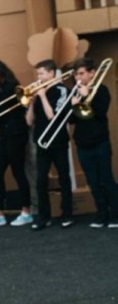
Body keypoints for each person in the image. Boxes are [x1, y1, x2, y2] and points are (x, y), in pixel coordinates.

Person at [0, 60, 33, 228]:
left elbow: (3, 110)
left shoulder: (10, 86)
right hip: (6, 135)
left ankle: (26, 211)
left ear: (0, 72)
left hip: (16, 133)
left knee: (18, 171)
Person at [70, 57, 118, 228]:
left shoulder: (102, 90)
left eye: (82, 73)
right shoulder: (75, 93)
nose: (78, 78)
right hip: (83, 145)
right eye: (76, 74)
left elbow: (99, 112)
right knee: (93, 182)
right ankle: (101, 214)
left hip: (100, 143)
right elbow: (71, 121)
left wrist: (88, 95)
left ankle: (115, 215)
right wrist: (74, 105)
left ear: (92, 73)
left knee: (107, 179)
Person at [26, 59, 74, 230]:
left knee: (63, 178)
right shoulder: (38, 94)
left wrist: (43, 96)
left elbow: (52, 117)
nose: (39, 77)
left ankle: (67, 214)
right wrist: (31, 103)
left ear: (52, 73)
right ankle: (43, 216)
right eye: (38, 74)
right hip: (41, 142)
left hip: (58, 140)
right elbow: (29, 121)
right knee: (40, 181)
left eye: (42, 73)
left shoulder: (61, 90)